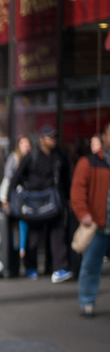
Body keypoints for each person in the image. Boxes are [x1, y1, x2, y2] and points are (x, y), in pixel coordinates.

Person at [8, 125, 73, 282]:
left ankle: (58, 268)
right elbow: (16, 178)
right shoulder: (31, 156)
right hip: (34, 202)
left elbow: (66, 179)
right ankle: (31, 267)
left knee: (57, 234)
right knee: (33, 237)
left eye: (55, 137)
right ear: (42, 139)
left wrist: (68, 199)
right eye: (50, 137)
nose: (53, 141)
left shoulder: (59, 156)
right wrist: (11, 199)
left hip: (53, 201)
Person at [70, 124, 110, 316]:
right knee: (91, 265)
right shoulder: (90, 162)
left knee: (91, 265)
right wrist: (83, 213)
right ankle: (87, 300)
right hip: (98, 225)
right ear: (104, 137)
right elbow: (77, 191)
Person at [0, 135, 34, 268]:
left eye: (27, 143)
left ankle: (22, 247)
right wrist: (6, 197)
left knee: (24, 223)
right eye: (23, 143)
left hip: (28, 196)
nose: (25, 146)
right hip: (15, 195)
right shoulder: (14, 158)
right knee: (15, 225)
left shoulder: (32, 157)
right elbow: (8, 178)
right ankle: (17, 248)